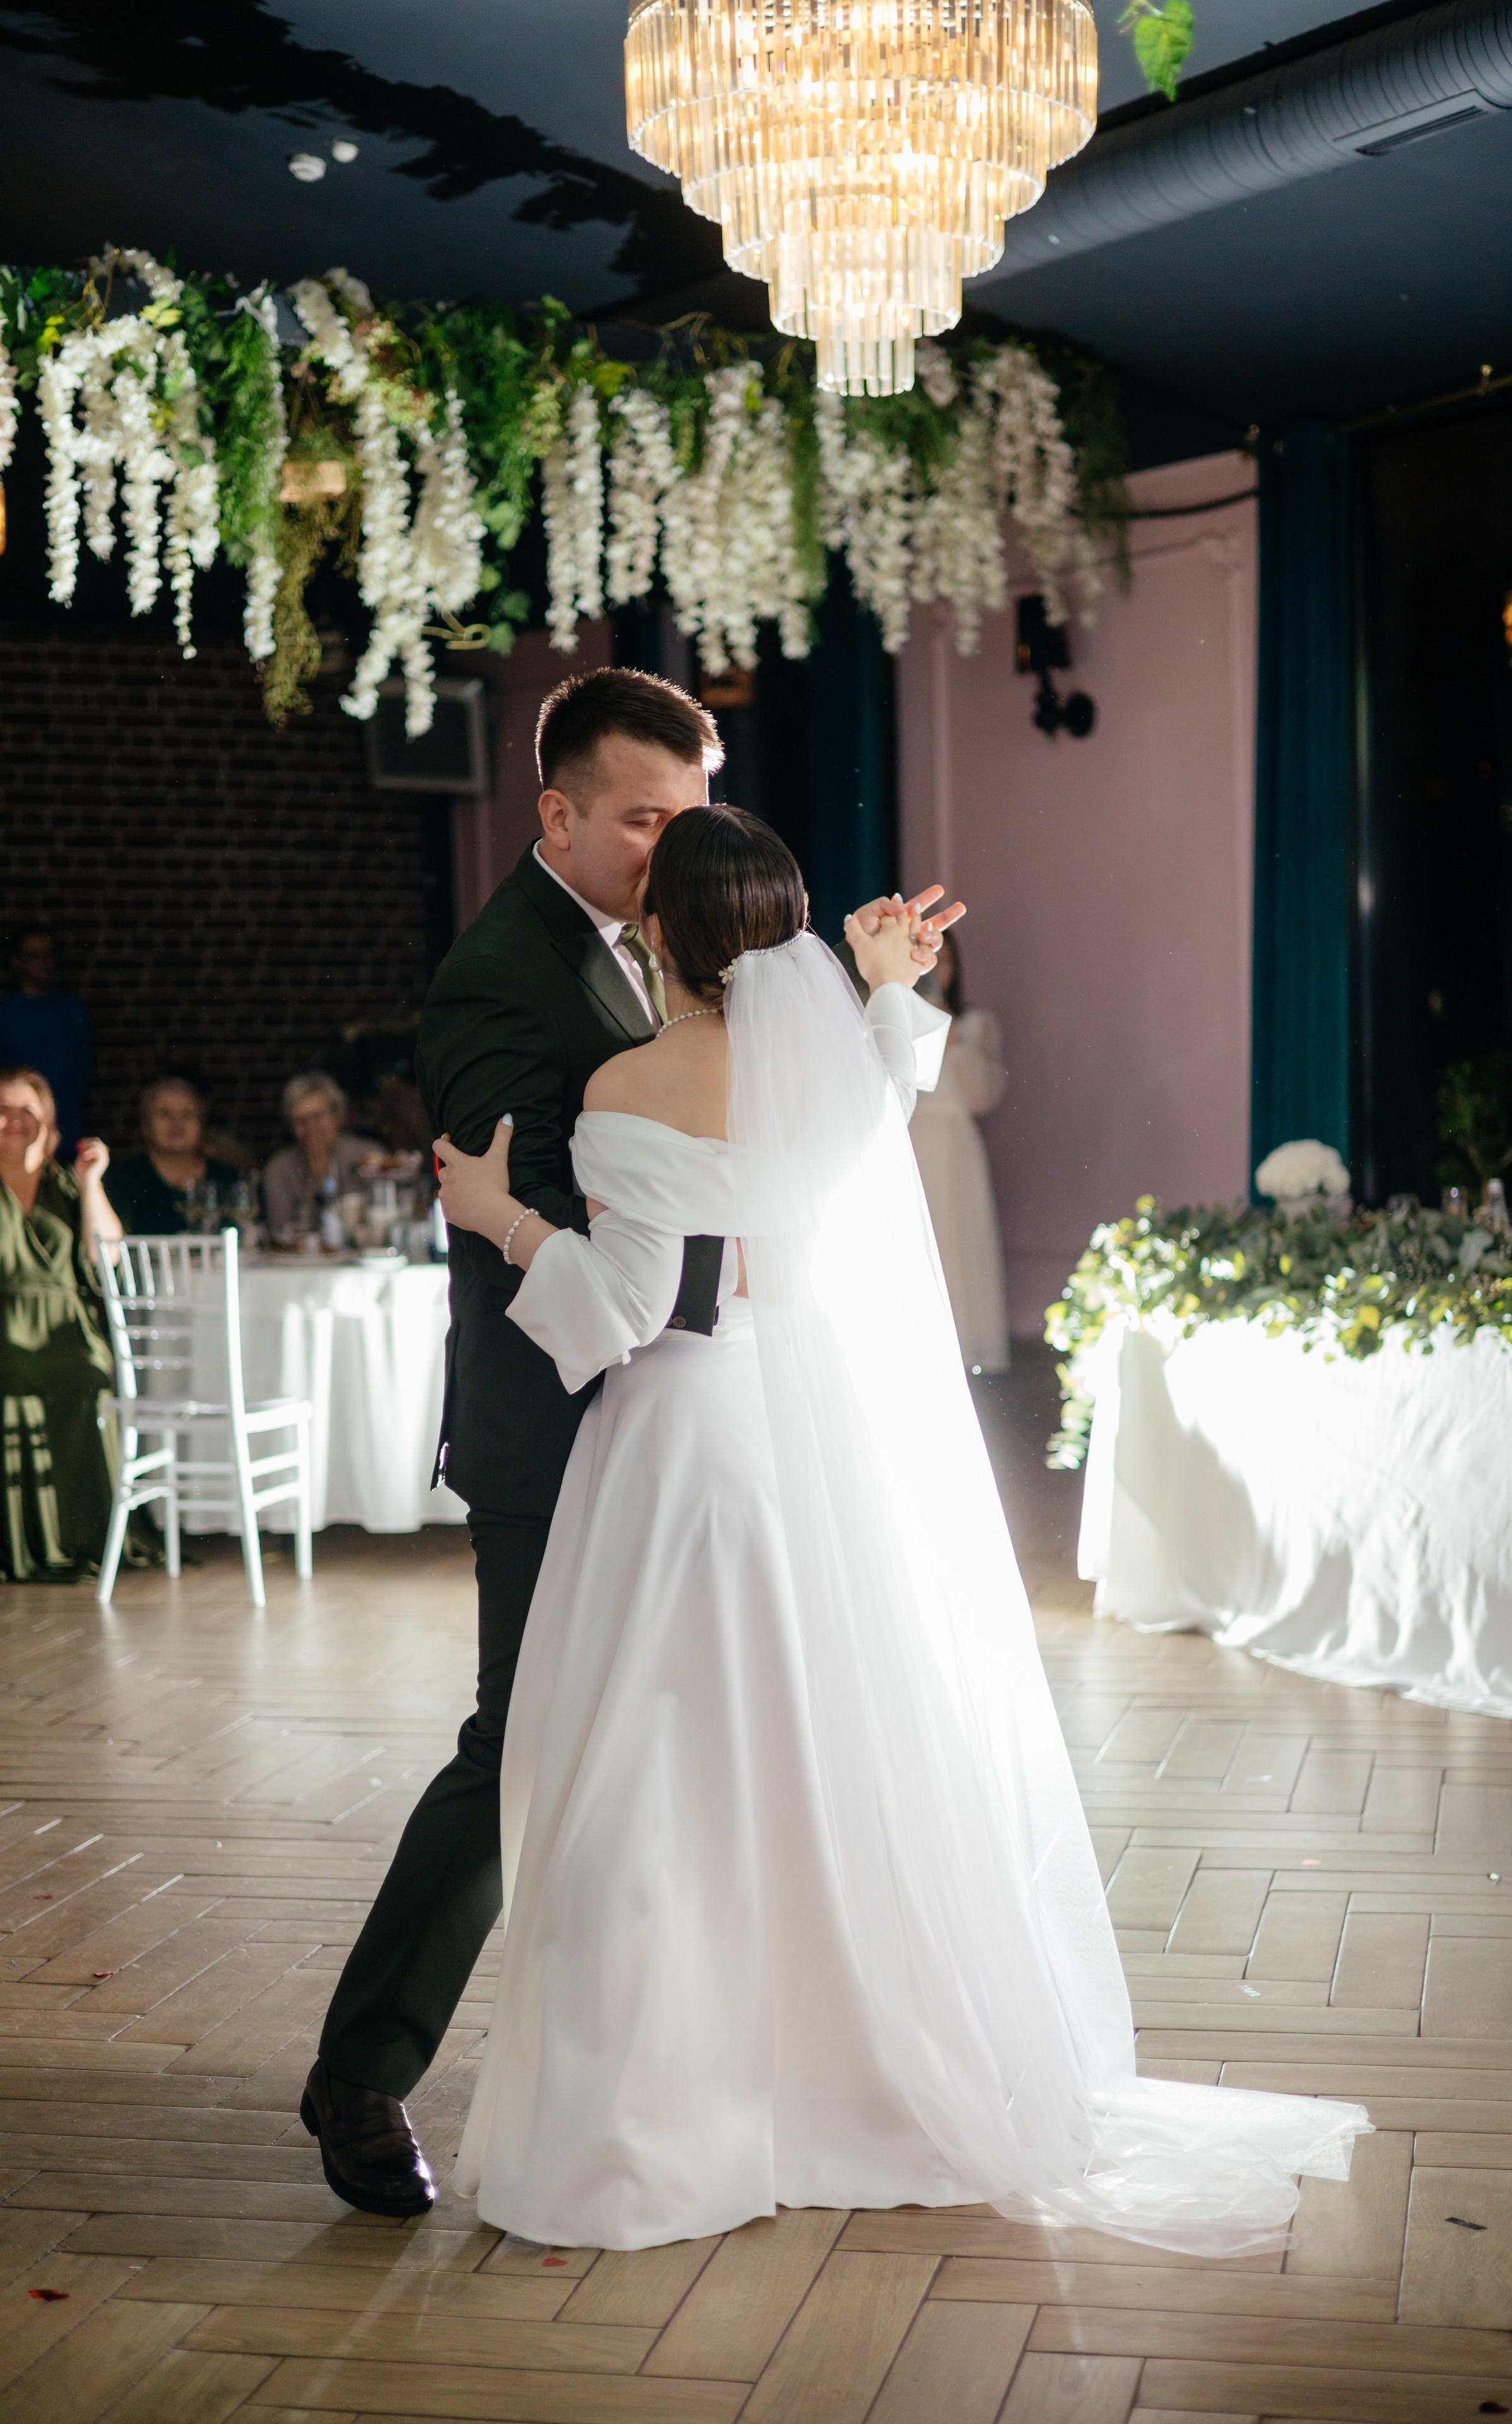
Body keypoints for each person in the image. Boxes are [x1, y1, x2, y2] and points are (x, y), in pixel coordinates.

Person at [430, 807, 1369, 2255]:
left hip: (682, 1446)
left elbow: (624, 1309)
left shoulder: (627, 1083)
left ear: (661, 932)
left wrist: (499, 1215)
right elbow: (885, 1082)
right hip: (821, 1446)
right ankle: (847, 2079)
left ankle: (658, 2117)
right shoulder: (835, 1082)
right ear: (779, 931)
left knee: (658, 1775)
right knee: (823, 1754)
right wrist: (883, 985)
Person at [300, 666, 962, 2218]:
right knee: (521, 1753)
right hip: (568, 1430)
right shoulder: (495, 977)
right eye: (645, 821)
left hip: (694, 1417)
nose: (671, 850)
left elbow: (711, 1177)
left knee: (703, 1757)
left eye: (690, 817)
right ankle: (363, 2073)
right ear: (557, 813)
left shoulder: (698, 969)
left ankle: (711, 2073)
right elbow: (553, 1205)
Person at [0, 1066, 129, 1581]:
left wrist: (91, 1184)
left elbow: (107, 1258)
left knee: (87, 1373)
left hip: (67, 1329)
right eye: (1, 1110)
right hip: (5, 1328)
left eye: (26, 1110)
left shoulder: (66, 1183)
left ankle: (87, 1536)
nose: (13, 1120)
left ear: (47, 1120)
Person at [909, 931, 1011, 1373]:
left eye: (945, 960)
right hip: (910, 1141)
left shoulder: (975, 1023)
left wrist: (951, 1037)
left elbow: (984, 1097)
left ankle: (966, 1349)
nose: (937, 970)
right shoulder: (895, 1020)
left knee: (959, 1243)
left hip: (955, 1145)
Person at [105, 1078, 244, 1237]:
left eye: (187, 1114)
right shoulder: (121, 1177)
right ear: (145, 1126)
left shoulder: (226, 1178)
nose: (177, 1122)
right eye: (165, 1114)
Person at [0, 929, 93, 1154]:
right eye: (34, 956)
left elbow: (82, 1071)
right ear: (18, 962)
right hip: (19, 1127)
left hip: (65, 1126)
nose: (43, 963)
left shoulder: (72, 1011)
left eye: (48, 955)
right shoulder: (6, 1014)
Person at [261, 1074, 375, 1239]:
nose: (312, 1128)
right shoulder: (279, 1169)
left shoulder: (368, 1155)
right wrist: (316, 1183)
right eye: (302, 1121)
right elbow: (280, 1231)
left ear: (338, 1115)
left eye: (318, 1116)